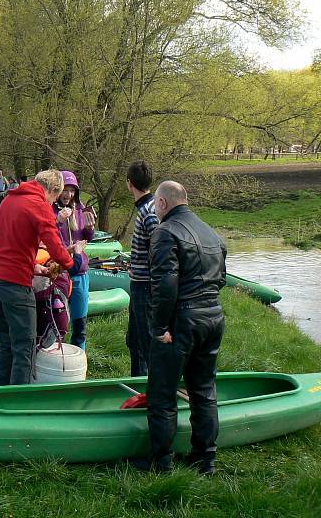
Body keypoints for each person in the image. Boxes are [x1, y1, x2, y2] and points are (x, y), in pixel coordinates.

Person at [143, 180, 227, 475]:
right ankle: (206, 460)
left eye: (156, 204)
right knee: (204, 389)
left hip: (182, 320)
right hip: (213, 316)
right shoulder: (212, 233)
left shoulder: (165, 232)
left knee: (162, 392)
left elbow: (165, 285)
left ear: (163, 203)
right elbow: (221, 279)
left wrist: (159, 327)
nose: (156, 209)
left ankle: (162, 463)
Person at [0, 170, 83, 386]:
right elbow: (55, 244)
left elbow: (11, 241)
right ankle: (19, 403)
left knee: (6, 342)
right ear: (53, 191)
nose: (53, 202)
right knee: (25, 347)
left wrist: (33, 266)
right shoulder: (40, 205)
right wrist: (70, 264)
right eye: (55, 198)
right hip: (14, 284)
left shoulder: (10, 199)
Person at [53, 171, 95, 350]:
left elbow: (86, 238)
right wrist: (58, 221)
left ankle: (79, 357)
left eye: (72, 191)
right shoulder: (50, 210)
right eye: (65, 190)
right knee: (56, 321)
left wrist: (90, 229)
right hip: (59, 272)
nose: (68, 195)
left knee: (80, 323)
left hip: (80, 272)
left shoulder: (80, 208)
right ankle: (53, 357)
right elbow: (48, 238)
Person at [126, 160, 159, 376]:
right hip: (139, 283)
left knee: (146, 342)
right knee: (134, 339)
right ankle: (139, 385)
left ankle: (154, 389)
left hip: (146, 287)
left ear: (129, 184)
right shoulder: (148, 207)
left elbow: (159, 250)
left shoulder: (150, 211)